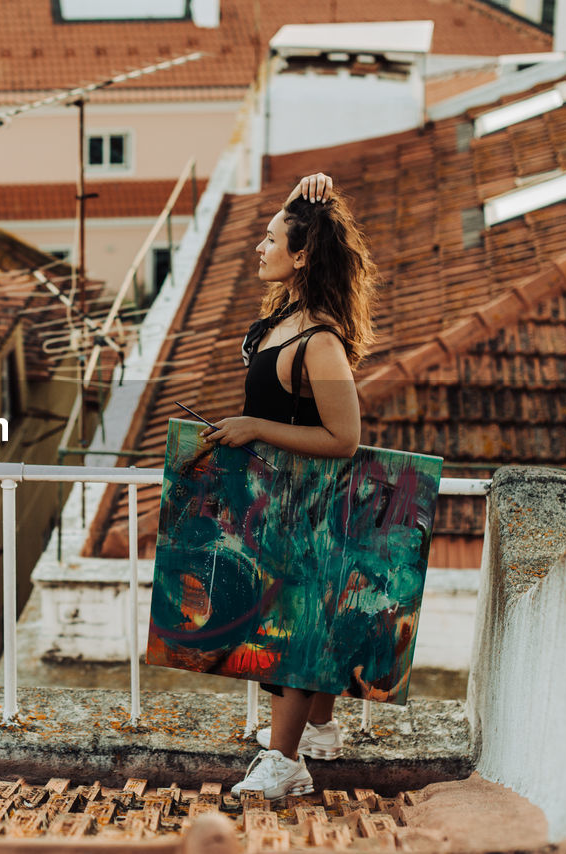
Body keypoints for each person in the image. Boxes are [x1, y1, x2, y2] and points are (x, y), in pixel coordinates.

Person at [200, 172, 378, 799]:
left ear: (300, 256)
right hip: (278, 504)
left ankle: (285, 763)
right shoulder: (283, 322)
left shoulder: (319, 341)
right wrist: (309, 193)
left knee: (291, 630)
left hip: (309, 507)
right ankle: (318, 733)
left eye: (272, 237)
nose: (259, 246)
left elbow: (344, 438)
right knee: (298, 623)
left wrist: (255, 427)